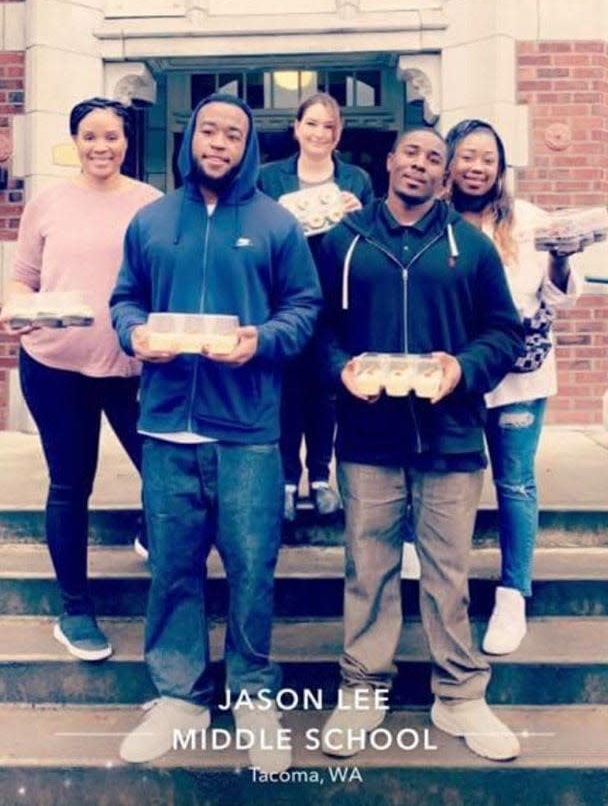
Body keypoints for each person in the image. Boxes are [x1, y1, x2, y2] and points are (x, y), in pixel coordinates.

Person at [110, 93, 321, 771]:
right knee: (173, 568)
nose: (220, 142)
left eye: (234, 133)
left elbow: (304, 307)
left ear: (248, 145)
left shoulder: (274, 223)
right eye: (210, 130)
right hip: (169, 425)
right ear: (190, 137)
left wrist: (262, 340)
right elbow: (124, 298)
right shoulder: (150, 220)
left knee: (252, 569)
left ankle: (253, 692)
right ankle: (180, 695)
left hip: (248, 431)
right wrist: (133, 333)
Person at [316, 127, 525, 762]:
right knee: (369, 571)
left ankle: (459, 694)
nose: (422, 163)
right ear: (389, 161)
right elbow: (318, 328)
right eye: (412, 152)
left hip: (452, 437)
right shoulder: (342, 242)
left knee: (447, 575)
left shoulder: (472, 248)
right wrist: (341, 370)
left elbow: (503, 333)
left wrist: (463, 368)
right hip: (368, 437)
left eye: (435, 157)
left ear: (445, 175)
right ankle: (361, 689)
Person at [1, 98, 161, 661]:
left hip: (132, 367)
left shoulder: (151, 205)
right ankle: (74, 610)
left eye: (112, 136)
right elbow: (23, 279)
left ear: (126, 141)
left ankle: (150, 529)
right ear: (75, 141)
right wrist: (16, 308)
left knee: (163, 472)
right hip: (55, 364)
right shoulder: (49, 202)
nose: (102, 146)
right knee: (71, 484)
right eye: (90, 136)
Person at [444, 119, 580, 655]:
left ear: (501, 168)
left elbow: (561, 297)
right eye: (467, 156)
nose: (477, 167)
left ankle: (513, 593)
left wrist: (563, 256)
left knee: (516, 482)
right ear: (450, 161)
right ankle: (435, 576)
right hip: (453, 374)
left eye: (488, 159)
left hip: (519, 375)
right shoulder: (435, 220)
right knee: (445, 474)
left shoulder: (529, 220)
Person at [258, 93, 373, 521]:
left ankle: (321, 478)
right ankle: (287, 481)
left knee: (327, 390)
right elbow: (258, 230)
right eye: (312, 124)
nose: (319, 133)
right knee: (288, 390)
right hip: (284, 299)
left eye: (329, 126)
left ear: (338, 133)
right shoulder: (270, 179)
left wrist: (359, 217)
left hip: (335, 298)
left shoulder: (356, 180)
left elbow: (371, 237)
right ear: (297, 127)